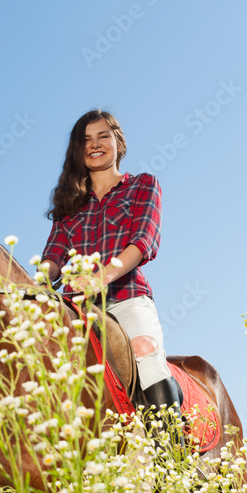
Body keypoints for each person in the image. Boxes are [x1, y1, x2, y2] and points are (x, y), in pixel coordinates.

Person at [41, 109, 183, 420]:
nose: (94, 144)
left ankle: (172, 454)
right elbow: (53, 254)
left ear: (118, 141)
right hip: (74, 306)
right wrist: (38, 280)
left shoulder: (143, 185)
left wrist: (100, 278)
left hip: (126, 299)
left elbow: (143, 242)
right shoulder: (68, 204)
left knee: (146, 350)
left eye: (102, 136)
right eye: (86, 139)